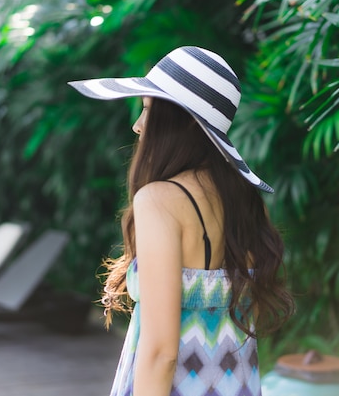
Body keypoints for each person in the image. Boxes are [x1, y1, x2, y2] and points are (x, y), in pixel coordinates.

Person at [68, 46, 295, 396]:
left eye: (147, 110)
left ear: (184, 119)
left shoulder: (159, 201)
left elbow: (161, 353)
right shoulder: (246, 204)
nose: (138, 125)